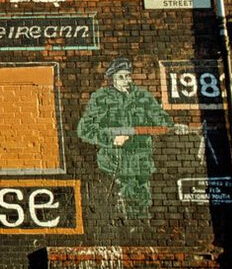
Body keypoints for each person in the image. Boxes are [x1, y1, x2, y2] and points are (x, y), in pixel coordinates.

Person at [77, 58, 187, 218]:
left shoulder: (142, 96)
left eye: (128, 76)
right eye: (121, 77)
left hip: (141, 162)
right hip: (114, 162)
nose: (126, 80)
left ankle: (141, 226)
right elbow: (85, 129)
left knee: (142, 204)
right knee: (117, 207)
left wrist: (173, 127)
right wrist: (112, 139)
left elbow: (160, 118)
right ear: (112, 78)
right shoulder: (101, 98)